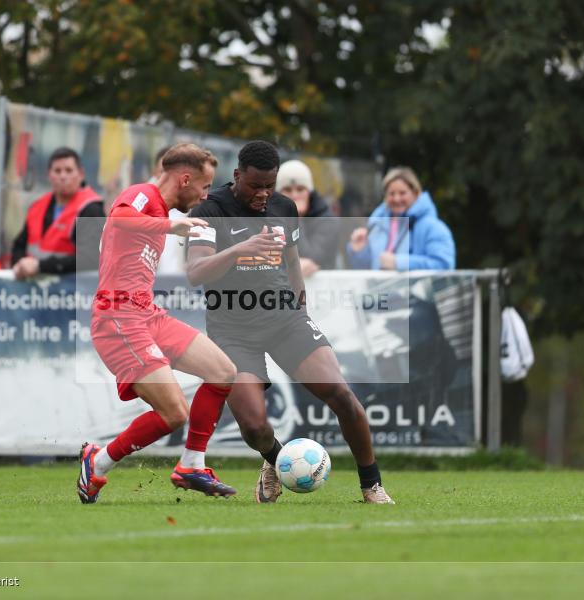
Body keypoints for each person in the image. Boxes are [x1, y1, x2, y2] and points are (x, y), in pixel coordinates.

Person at [185, 141, 394, 504]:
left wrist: (300, 307)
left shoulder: (284, 207)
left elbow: (293, 261)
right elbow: (194, 271)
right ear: (237, 176)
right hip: (232, 330)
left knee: (342, 396)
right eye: (255, 186)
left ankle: (372, 485)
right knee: (254, 426)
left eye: (270, 185)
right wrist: (239, 249)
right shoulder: (209, 210)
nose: (263, 194)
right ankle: (276, 459)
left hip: (285, 319)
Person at [77, 143, 238, 504]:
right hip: (118, 316)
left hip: (148, 313)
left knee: (223, 371)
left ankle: (191, 464)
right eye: (204, 186)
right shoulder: (142, 195)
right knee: (174, 413)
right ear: (184, 179)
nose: (205, 194)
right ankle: (98, 462)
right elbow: (118, 218)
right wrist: (172, 226)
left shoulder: (158, 207)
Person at [11, 147, 105, 278]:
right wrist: (20, 264)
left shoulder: (91, 209)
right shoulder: (37, 207)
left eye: (69, 170)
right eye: (57, 171)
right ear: (49, 175)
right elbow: (19, 245)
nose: (63, 176)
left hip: (72, 292)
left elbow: (91, 259)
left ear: (81, 174)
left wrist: (40, 266)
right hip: (33, 291)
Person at [347, 166, 455, 271]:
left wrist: (399, 262)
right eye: (391, 193)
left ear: (416, 193)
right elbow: (369, 268)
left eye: (402, 193)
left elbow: (444, 264)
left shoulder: (433, 228)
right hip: (380, 289)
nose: (396, 199)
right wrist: (359, 250)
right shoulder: (377, 225)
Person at [276, 159, 340, 277]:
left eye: (300, 189)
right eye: (288, 190)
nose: (294, 195)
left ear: (309, 192)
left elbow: (310, 259)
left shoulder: (327, 220)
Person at [153, 145, 188, 276]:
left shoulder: (197, 210)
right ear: (155, 173)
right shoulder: (137, 207)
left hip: (182, 291)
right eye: (163, 172)